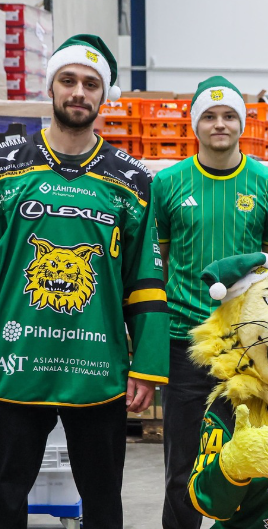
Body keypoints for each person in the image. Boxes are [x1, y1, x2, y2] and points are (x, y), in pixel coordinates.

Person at [0, 34, 169, 528]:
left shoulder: (132, 179)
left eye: (90, 84)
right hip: (16, 363)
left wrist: (148, 367)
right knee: (4, 496)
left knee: (103, 501)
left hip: (97, 368)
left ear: (103, 95)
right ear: (51, 87)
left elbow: (146, 279)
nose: (78, 92)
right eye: (68, 80)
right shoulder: (7, 165)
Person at [151, 76, 268, 529]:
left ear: (242, 123)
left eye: (229, 115)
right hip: (186, 342)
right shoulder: (168, 183)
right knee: (184, 462)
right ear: (195, 125)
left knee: (251, 454)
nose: (220, 124)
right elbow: (159, 263)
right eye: (209, 116)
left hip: (248, 344)